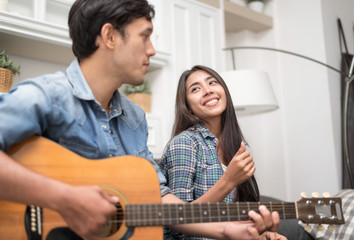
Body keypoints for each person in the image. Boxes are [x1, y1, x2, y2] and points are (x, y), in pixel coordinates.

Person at [0, 1, 280, 239]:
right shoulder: (47, 96)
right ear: (109, 36)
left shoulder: (134, 118)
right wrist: (64, 199)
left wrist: (227, 231)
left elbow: (158, 198)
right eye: (144, 36)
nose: (152, 50)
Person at [159, 65, 286, 240]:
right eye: (196, 89)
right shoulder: (184, 143)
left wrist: (264, 234)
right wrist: (228, 181)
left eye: (212, 83)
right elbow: (178, 221)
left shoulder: (234, 146)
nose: (207, 90)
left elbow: (237, 219)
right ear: (188, 108)